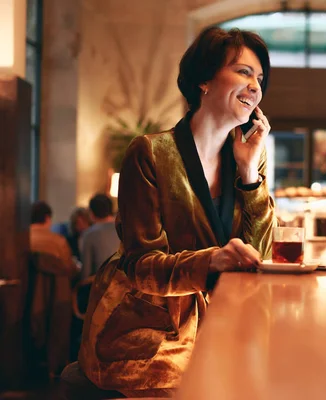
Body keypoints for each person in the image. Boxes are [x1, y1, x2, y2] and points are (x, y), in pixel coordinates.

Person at [78, 27, 275, 397]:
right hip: (146, 333)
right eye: (243, 72)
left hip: (219, 325)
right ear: (204, 80)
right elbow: (141, 266)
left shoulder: (248, 156)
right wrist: (213, 261)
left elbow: (261, 255)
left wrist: (249, 176)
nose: (255, 86)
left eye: (260, 78)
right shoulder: (150, 152)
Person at [29, 201, 79, 273]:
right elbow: (70, 268)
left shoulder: (21, 240)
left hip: (27, 283)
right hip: (56, 283)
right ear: (47, 218)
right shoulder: (59, 241)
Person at [79, 194, 120, 280]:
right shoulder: (123, 229)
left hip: (99, 286)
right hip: (123, 285)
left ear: (91, 213)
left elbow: (86, 272)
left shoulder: (89, 234)